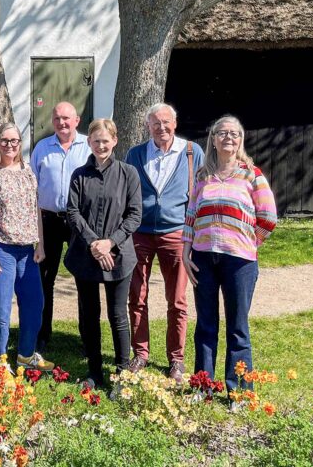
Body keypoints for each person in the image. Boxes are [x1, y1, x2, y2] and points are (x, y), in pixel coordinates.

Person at [182, 115, 277, 409]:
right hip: (203, 259)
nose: (228, 138)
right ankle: (204, 386)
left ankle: (239, 392)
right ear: (213, 139)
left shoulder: (252, 175)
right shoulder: (202, 176)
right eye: (222, 133)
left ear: (241, 140)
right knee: (206, 324)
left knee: (238, 327)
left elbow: (269, 218)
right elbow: (191, 215)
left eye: (234, 134)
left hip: (240, 263)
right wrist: (186, 251)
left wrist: (249, 242)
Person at [124, 103, 204, 382]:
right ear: (148, 126)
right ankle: (140, 353)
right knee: (137, 296)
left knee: (178, 300)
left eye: (166, 122)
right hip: (140, 233)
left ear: (175, 123)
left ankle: (176, 359)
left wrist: (194, 235)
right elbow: (126, 192)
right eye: (156, 123)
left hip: (176, 233)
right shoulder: (135, 154)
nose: (161, 128)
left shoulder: (192, 152)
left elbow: (200, 194)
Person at [65, 119, 142, 390]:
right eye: (96, 140)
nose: (101, 145)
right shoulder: (79, 175)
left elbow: (134, 215)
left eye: (105, 140)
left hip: (119, 255)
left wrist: (110, 243)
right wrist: (95, 244)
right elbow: (72, 212)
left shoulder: (128, 173)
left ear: (115, 141)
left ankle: (122, 374)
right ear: (89, 142)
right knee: (90, 314)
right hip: (86, 255)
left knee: (118, 314)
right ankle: (94, 372)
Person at [0, 123, 54, 374]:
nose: (10, 145)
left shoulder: (28, 171)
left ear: (20, 144)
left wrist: (40, 243)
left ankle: (25, 355)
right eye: (5, 140)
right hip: (0, 249)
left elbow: (36, 209)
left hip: (27, 251)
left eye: (15, 141)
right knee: (0, 308)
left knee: (34, 304)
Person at [29, 102, 90, 352]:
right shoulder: (42, 148)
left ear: (76, 120)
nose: (62, 123)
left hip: (80, 222)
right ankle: (43, 335)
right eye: (57, 119)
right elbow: (32, 187)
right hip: (49, 220)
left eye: (66, 118)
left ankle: (87, 335)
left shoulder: (88, 146)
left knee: (84, 278)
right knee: (45, 280)